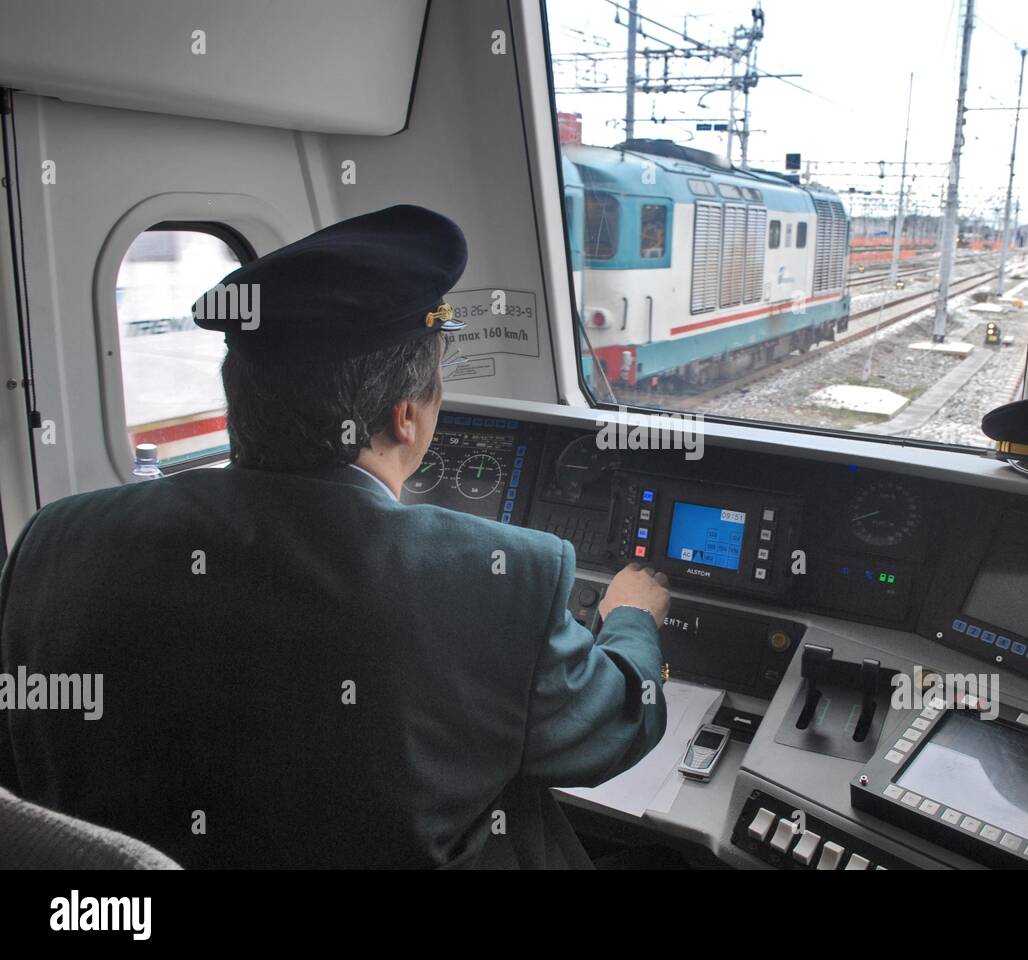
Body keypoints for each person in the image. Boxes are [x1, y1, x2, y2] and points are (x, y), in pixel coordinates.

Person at [0, 204, 670, 868]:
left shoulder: (55, 540)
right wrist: (631, 619)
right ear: (406, 417)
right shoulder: (496, 582)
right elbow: (612, 730)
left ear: (242, 401)